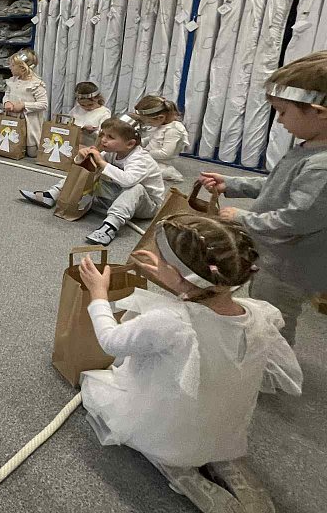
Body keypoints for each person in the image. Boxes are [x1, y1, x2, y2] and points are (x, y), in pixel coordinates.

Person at [77, 215, 301, 513]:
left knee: (95, 386)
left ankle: (173, 461)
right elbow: (203, 300)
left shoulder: (170, 322)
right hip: (225, 422)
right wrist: (172, 277)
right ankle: (221, 456)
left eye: (161, 260)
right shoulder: (261, 315)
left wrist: (98, 294)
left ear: (180, 277)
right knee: (213, 406)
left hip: (173, 423)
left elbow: (110, 341)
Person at [200, 52, 327, 345]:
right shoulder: (310, 147)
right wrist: (233, 184)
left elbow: (296, 219)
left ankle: (272, 367)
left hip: (288, 266)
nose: (279, 120)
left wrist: (243, 218)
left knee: (273, 322)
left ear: (319, 112)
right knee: (263, 308)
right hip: (275, 253)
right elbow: (278, 186)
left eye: (282, 112)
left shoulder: (321, 165)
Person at [21, 116, 165, 246]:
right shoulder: (113, 152)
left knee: (136, 187)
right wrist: (82, 157)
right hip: (119, 194)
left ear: (130, 144)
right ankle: (51, 194)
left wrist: (101, 163)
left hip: (146, 206)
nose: (103, 140)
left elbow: (128, 181)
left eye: (110, 137)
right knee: (92, 171)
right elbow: (89, 168)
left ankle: (110, 226)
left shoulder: (140, 159)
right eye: (103, 134)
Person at [3, 50, 48, 157]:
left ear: (22, 68)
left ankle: (30, 145)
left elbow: (43, 104)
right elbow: (7, 94)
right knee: (12, 143)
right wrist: (6, 102)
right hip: (13, 117)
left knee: (32, 153)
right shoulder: (12, 81)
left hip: (29, 121)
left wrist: (24, 105)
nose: (10, 67)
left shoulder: (35, 84)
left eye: (12, 65)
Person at [135, 95, 189, 184]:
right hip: (149, 155)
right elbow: (152, 138)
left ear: (160, 117)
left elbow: (166, 154)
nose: (148, 124)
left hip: (160, 161)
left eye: (149, 122)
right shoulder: (161, 124)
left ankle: (167, 173)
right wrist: (140, 142)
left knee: (137, 170)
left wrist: (144, 152)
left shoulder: (173, 129)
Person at [69, 81, 111, 147]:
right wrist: (80, 128)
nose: (87, 107)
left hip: (91, 147)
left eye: (90, 104)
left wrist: (94, 131)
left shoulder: (104, 112)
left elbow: (104, 134)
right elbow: (66, 125)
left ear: (98, 98)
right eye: (82, 105)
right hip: (73, 145)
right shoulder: (76, 109)